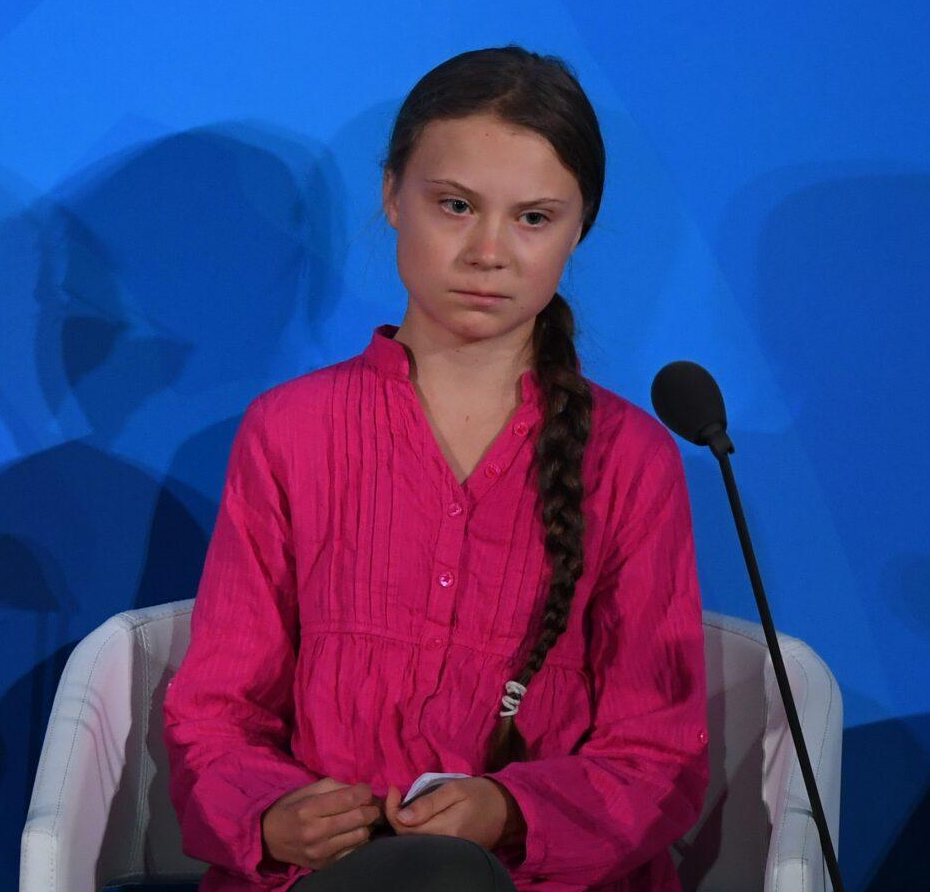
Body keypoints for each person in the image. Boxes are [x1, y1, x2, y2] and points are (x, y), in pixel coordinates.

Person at [162, 44, 709, 892]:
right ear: (391, 197)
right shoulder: (291, 432)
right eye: (455, 206)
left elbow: (658, 752)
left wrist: (508, 812)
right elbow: (216, 712)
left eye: (534, 218)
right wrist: (273, 816)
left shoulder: (630, 458)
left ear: (579, 228)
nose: (489, 251)